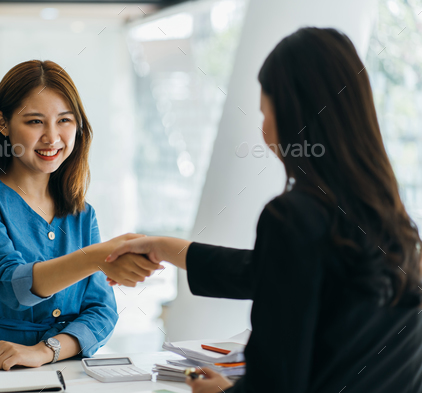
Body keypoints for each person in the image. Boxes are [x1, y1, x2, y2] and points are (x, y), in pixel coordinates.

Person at [106, 27, 422, 392]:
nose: (265, 131)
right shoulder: (390, 218)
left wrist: (221, 391)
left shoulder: (293, 216)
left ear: (291, 114)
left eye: (265, 113)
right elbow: (270, 272)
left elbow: (274, 383)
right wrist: (162, 247)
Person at [0, 60, 160, 370]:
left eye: (64, 120)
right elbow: (12, 285)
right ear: (3, 124)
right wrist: (97, 256)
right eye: (35, 122)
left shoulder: (82, 213)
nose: (52, 137)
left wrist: (48, 349)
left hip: (63, 366)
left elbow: (101, 310)